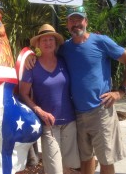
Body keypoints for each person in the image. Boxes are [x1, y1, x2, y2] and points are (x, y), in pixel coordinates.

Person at [25, 7, 126, 174]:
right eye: (72, 20)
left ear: (86, 21)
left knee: (106, 160)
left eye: (79, 19)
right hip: (77, 114)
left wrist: (120, 91)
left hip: (101, 110)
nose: (76, 24)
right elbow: (45, 50)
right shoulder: (65, 48)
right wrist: (31, 55)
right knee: (85, 159)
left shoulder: (101, 41)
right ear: (67, 24)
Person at [19, 24, 80, 174]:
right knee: (54, 170)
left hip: (70, 122)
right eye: (44, 40)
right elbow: (23, 93)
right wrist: (39, 111)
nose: (48, 43)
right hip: (48, 124)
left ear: (56, 42)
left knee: (68, 167)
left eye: (51, 39)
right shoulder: (31, 65)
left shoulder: (64, 62)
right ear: (38, 44)